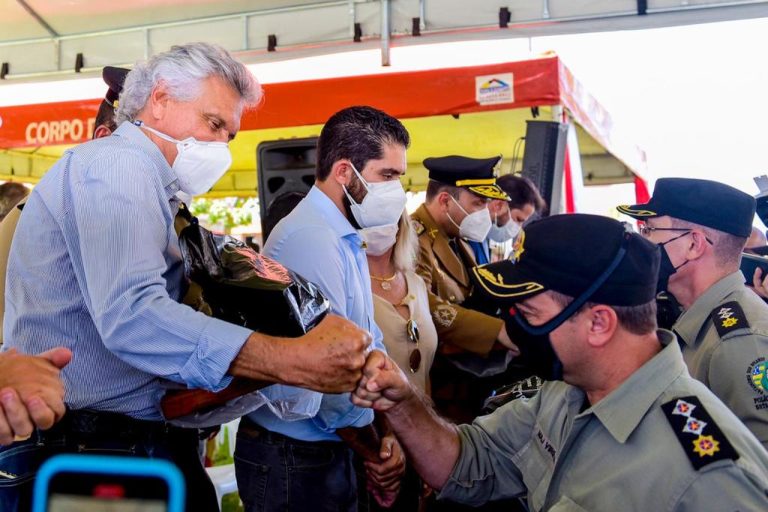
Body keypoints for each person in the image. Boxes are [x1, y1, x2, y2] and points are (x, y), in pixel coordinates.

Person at [0, 43, 373, 512]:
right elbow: (133, 316)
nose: (220, 145)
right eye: (213, 124)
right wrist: (288, 359)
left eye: (230, 135)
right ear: (159, 99)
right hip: (90, 449)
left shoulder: (154, 187)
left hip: (119, 442)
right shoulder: (119, 164)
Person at [353, 214, 768, 511]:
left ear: (599, 323)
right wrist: (403, 403)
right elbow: (469, 461)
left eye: (530, 314)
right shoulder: (564, 392)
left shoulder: (708, 474)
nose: (514, 329)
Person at [235, 106, 407, 512]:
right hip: (295, 457)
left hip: (321, 449)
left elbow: (370, 348)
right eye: (388, 176)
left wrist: (389, 432)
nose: (397, 192)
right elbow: (331, 375)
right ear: (345, 172)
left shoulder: (341, 234)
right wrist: (376, 455)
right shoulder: (313, 237)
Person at [617, 177, 768, 449]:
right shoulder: (695, 317)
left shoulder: (739, 341)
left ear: (693, 245)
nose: (643, 242)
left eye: (649, 230)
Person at [411, 155, 517, 423]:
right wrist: (498, 332)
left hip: (464, 382)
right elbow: (424, 307)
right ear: (446, 200)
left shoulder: (458, 239)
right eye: (479, 203)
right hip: (436, 387)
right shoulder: (412, 239)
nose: (486, 213)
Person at [469, 174, 545, 264]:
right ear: (499, 205)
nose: (518, 227)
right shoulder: (467, 234)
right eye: (518, 219)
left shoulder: (481, 238)